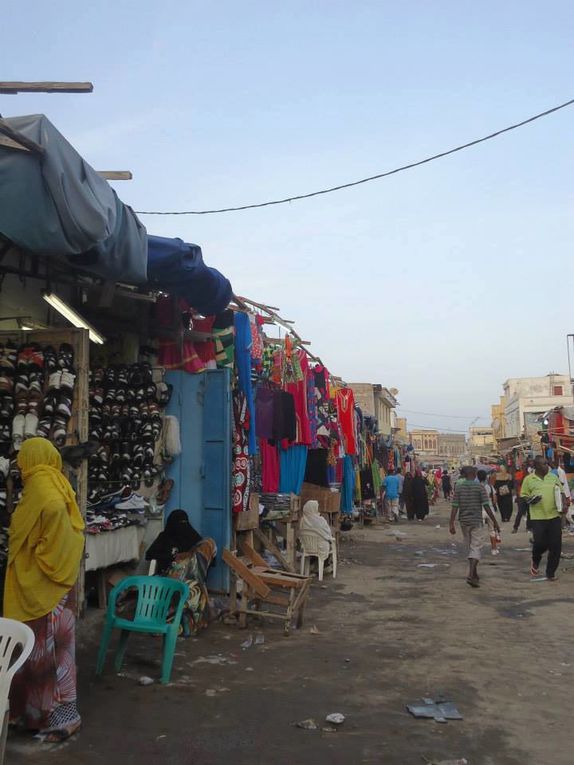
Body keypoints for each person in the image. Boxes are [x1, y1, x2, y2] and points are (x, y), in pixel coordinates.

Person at [5, 438, 85, 741]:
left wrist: (37, 557)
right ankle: (33, 715)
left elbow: (52, 523)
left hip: (45, 587)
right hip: (57, 586)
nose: (19, 465)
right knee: (44, 655)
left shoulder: (41, 487)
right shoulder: (58, 483)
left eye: (22, 458)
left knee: (49, 655)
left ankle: (64, 718)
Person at [146, 510, 217, 636]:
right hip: (168, 576)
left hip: (191, 580)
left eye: (185, 523)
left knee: (207, 544)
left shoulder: (192, 536)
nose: (182, 526)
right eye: (179, 523)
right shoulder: (164, 537)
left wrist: (189, 558)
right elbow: (150, 554)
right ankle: (174, 623)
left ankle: (189, 623)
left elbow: (208, 560)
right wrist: (172, 557)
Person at [450, 466, 499, 587]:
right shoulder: (479, 487)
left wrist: (451, 523)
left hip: (464, 522)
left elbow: (455, 506)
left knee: (470, 547)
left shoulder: (459, 488)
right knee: (476, 547)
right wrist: (494, 521)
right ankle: (471, 574)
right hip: (476, 521)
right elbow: (486, 506)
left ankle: (474, 573)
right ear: (473, 473)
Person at [520, 456, 566, 581]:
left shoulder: (553, 477)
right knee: (540, 543)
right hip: (538, 517)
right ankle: (536, 559)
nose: (547, 466)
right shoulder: (529, 479)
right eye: (543, 464)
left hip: (554, 515)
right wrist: (530, 500)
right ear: (536, 466)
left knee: (556, 546)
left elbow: (561, 492)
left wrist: (564, 505)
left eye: (546, 464)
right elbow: (523, 495)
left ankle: (550, 572)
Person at [477, 469, 500, 555]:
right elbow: (494, 500)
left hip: (480, 511)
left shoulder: (477, 487)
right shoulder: (490, 487)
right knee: (492, 530)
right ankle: (494, 549)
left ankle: (477, 549)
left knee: (478, 531)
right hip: (490, 510)